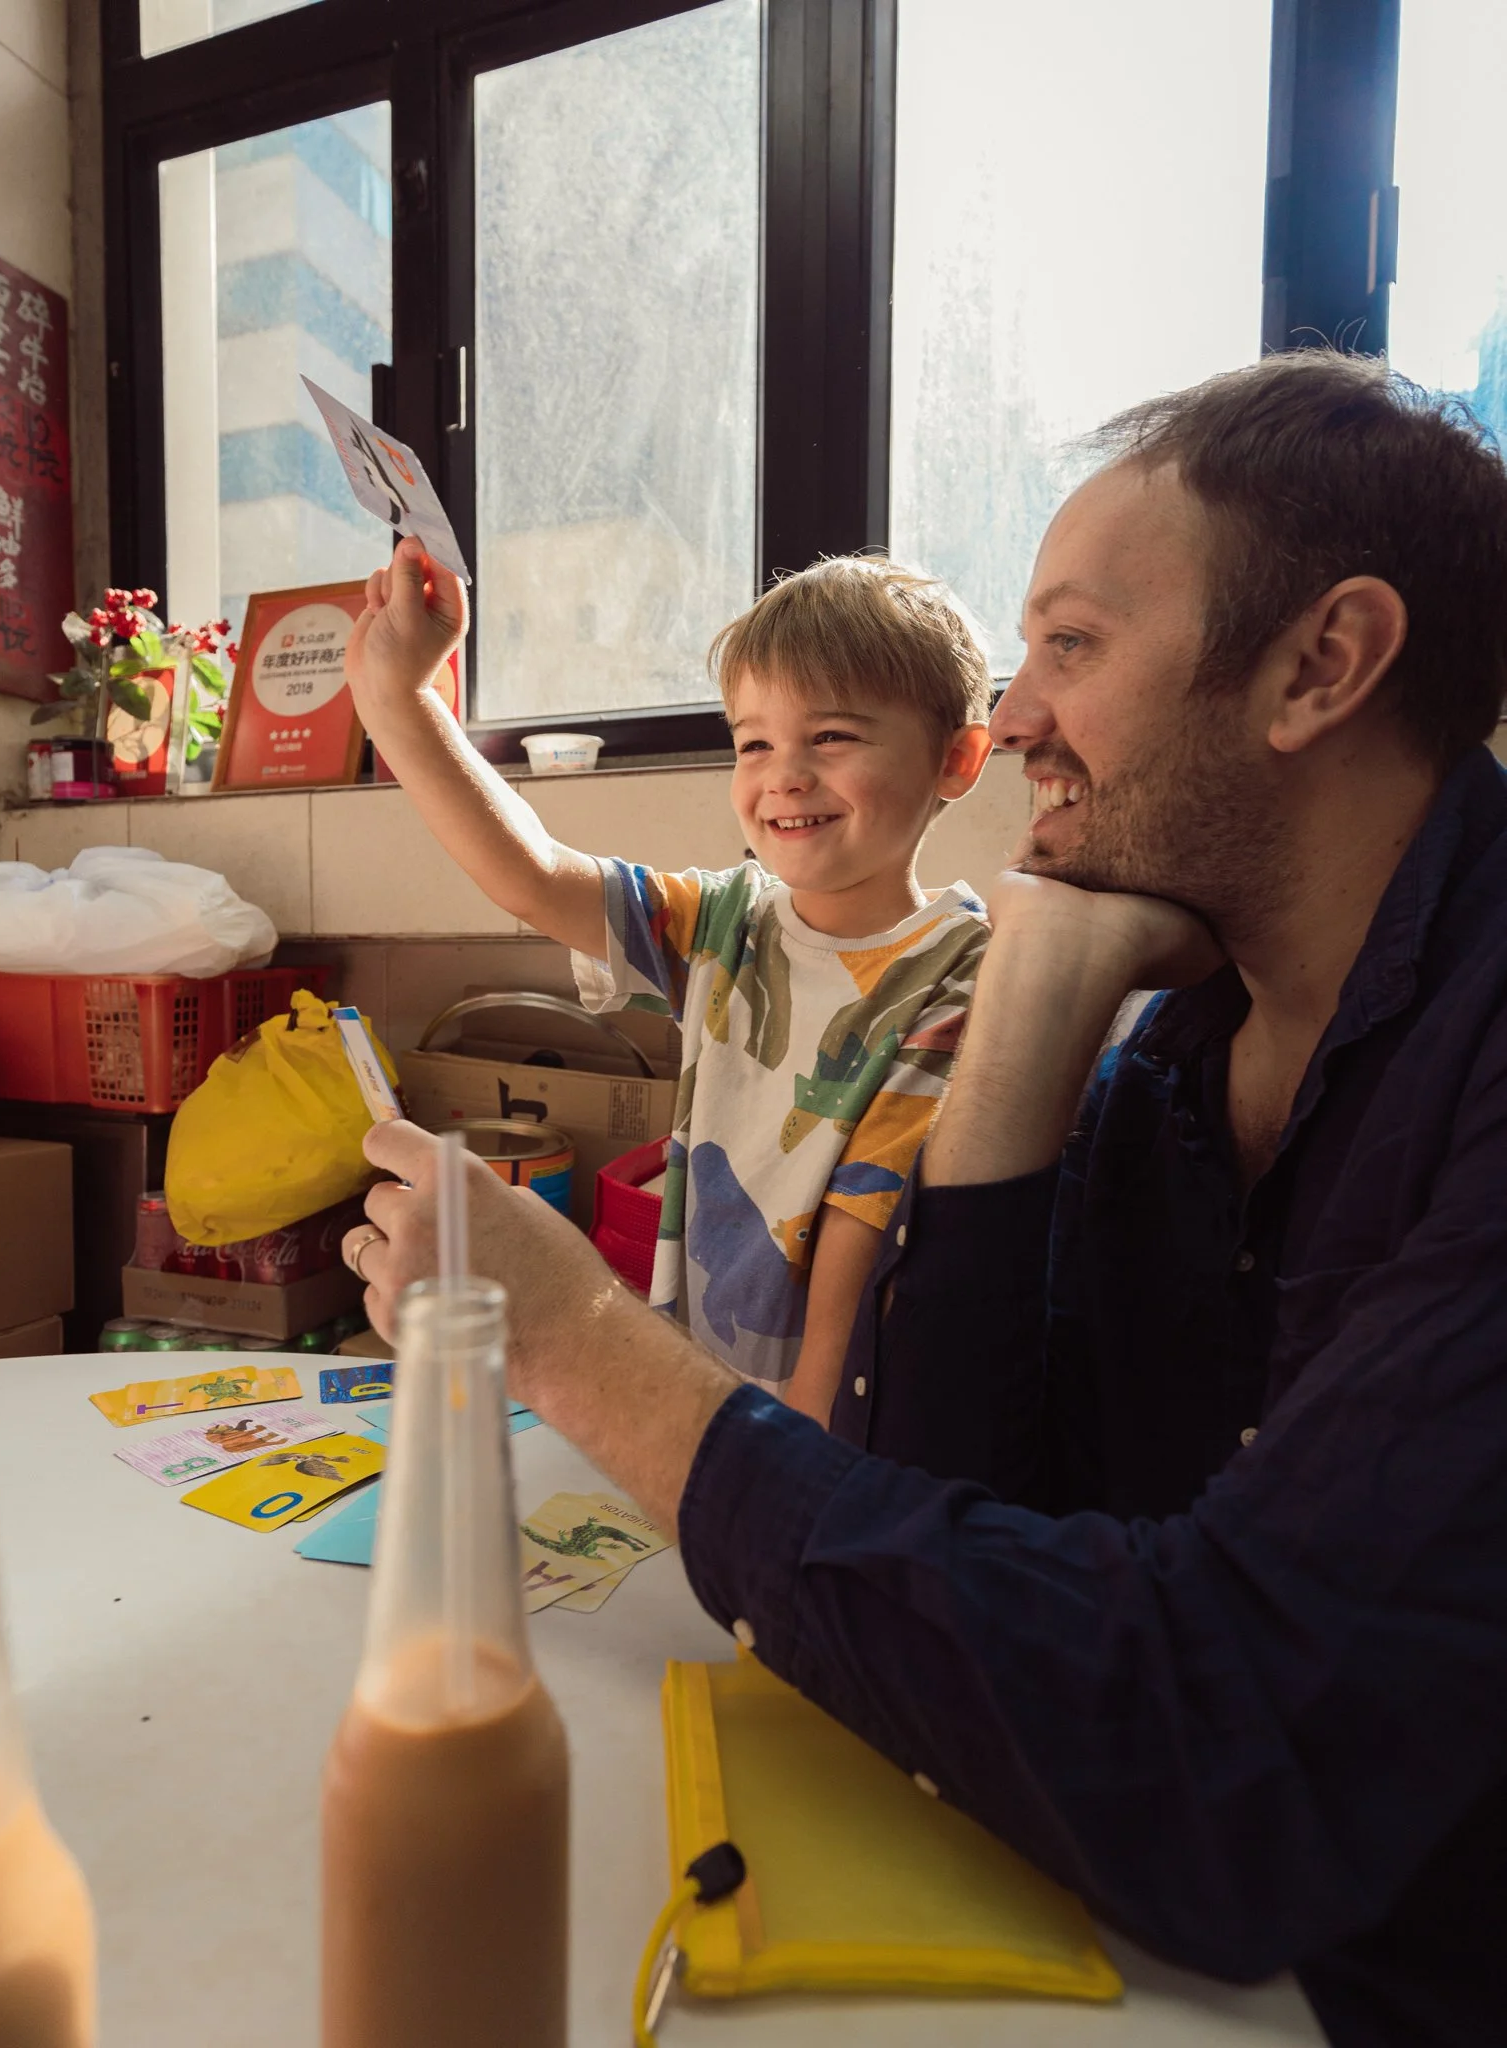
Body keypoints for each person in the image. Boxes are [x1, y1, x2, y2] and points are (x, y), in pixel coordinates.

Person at [342, 350, 1507, 2047]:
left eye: (1073, 644)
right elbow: (963, 1512)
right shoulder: (1173, 1045)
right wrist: (1031, 1016)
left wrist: (573, 1336)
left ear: (1317, 665)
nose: (1019, 710)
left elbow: (1216, 1757)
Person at [345, 548, 994, 1421]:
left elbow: (857, 1248)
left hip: (832, 1432)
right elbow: (532, 876)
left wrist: (793, 1486)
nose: (784, 775)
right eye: (753, 742)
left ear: (957, 758)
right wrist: (402, 699)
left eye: (831, 736)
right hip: (697, 1405)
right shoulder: (728, 922)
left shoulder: (959, 974)